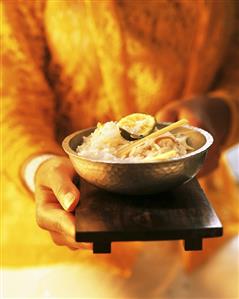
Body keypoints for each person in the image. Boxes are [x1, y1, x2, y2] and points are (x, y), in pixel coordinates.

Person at [2, 0, 239, 275]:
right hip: (62, 230)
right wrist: (39, 166)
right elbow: (9, 101)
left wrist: (223, 112)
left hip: (205, 214)